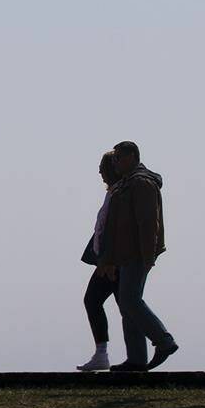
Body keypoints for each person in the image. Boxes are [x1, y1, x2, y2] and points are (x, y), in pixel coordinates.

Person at [97, 140, 177, 372]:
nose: (115, 163)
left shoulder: (141, 183)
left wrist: (147, 254)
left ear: (131, 156)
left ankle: (163, 341)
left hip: (136, 253)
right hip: (126, 254)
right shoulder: (127, 184)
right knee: (127, 303)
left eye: (118, 158)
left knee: (130, 300)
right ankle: (137, 359)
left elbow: (148, 222)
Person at [77, 151, 121, 371]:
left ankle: (160, 342)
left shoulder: (120, 194)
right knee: (95, 301)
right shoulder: (112, 193)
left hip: (113, 261)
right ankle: (102, 353)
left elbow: (115, 230)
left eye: (103, 167)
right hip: (106, 260)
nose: (99, 172)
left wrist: (109, 260)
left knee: (125, 305)